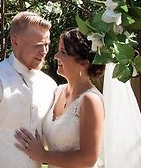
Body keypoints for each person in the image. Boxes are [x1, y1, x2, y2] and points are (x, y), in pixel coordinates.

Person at [0, 11, 57, 168]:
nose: (44, 51)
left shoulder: (49, 85)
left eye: (46, 45)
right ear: (15, 42)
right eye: (38, 46)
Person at [15, 28, 105, 167]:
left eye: (63, 52)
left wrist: (43, 155)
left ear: (84, 63)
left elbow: (88, 158)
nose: (56, 56)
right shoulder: (58, 91)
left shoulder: (90, 100)